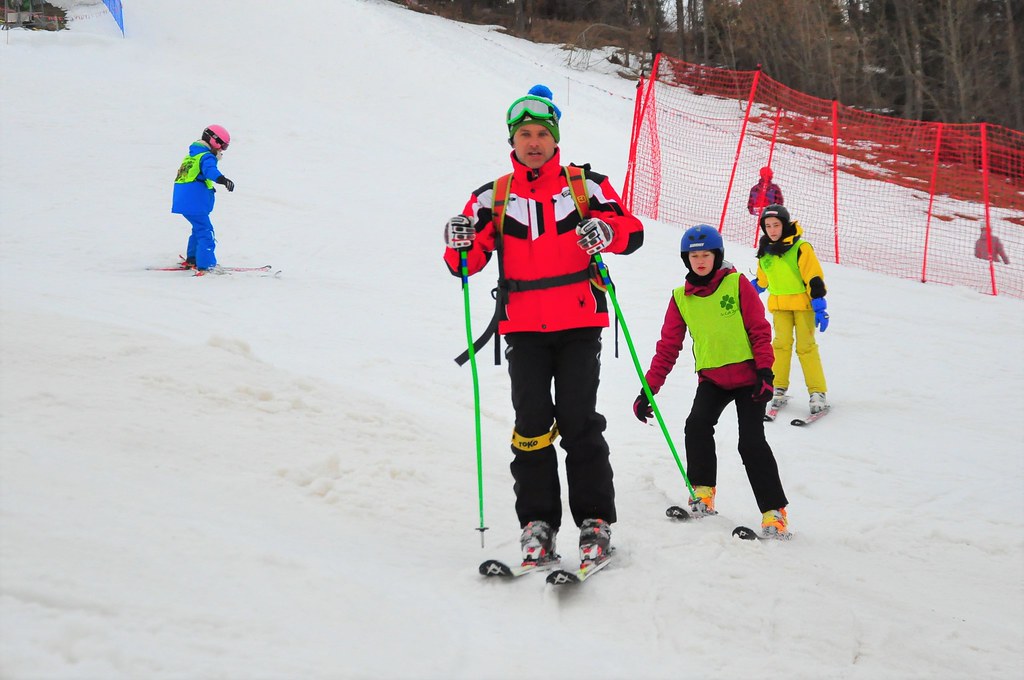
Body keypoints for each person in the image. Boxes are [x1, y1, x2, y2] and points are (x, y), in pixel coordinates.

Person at [442, 85, 644, 567]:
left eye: (541, 134)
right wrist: (459, 243)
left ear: (556, 139)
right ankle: (538, 524)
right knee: (530, 426)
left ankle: (594, 520)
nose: (533, 142)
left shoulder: (585, 186)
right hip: (523, 327)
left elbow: (631, 230)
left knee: (579, 421)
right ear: (512, 140)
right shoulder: (491, 196)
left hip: (579, 320)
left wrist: (607, 232)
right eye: (524, 134)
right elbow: (464, 265)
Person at [632, 225, 790, 538]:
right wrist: (648, 390)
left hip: (749, 378)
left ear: (717, 256)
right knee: (697, 425)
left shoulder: (737, 284)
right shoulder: (681, 298)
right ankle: (702, 493)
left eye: (706, 254)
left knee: (751, 442)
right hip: (713, 380)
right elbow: (668, 347)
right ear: (686, 259)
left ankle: (774, 513)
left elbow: (759, 329)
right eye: (694, 255)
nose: (700, 260)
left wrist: (765, 373)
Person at [751, 204, 829, 415]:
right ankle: (778, 388)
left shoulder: (800, 248)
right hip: (780, 307)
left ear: (784, 225)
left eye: (776, 225)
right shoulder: (765, 252)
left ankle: (817, 392)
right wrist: (746, 291)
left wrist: (820, 305)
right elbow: (762, 281)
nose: (772, 230)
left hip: (803, 306)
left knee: (806, 347)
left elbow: (813, 278)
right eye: (768, 226)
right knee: (780, 346)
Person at [171, 125, 235, 274]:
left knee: (198, 229)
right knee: (206, 232)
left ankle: (193, 258)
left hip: (185, 201)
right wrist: (222, 179)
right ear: (214, 141)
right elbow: (210, 170)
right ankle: (207, 265)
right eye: (223, 146)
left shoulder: (192, 156)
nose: (222, 150)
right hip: (194, 203)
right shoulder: (206, 156)